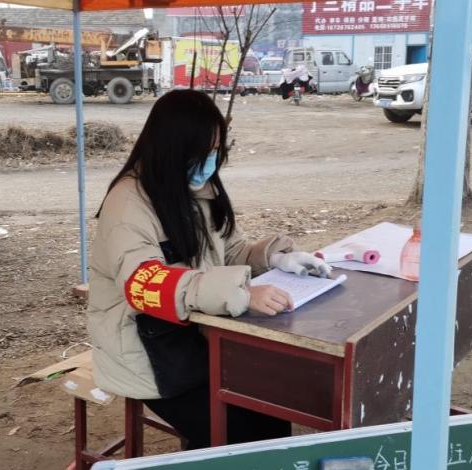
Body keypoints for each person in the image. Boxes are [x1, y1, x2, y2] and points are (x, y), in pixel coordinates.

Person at [88, 90, 331, 450]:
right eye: (202, 151)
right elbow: (144, 285)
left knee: (272, 409)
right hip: (147, 351)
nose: (210, 160)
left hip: (200, 336)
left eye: (216, 149)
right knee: (236, 432)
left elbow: (229, 250)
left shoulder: (197, 187)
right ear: (172, 147)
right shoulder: (128, 204)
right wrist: (242, 294)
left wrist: (276, 259)